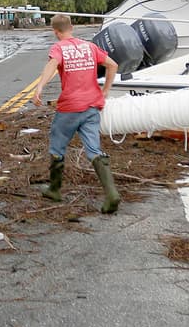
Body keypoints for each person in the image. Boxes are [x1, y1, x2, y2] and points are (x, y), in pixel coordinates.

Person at [30, 14, 121, 213]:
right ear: (72, 27)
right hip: (92, 106)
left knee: (57, 145)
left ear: (55, 32)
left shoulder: (58, 48)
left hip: (70, 108)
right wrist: (105, 90)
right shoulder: (89, 46)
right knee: (93, 149)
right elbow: (112, 65)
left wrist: (39, 88)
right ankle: (112, 194)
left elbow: (52, 65)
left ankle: (54, 189)